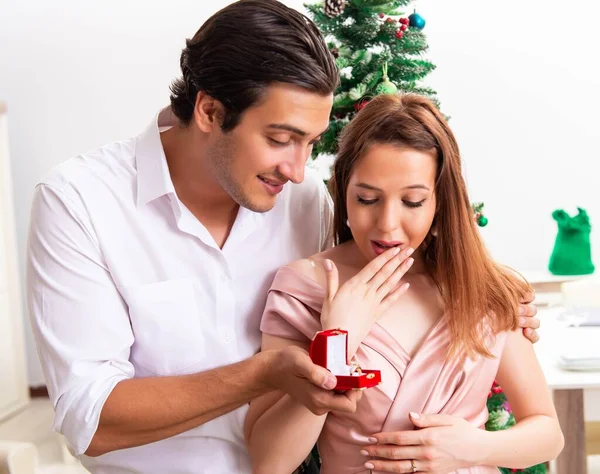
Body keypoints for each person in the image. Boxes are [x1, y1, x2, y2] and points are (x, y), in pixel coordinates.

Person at [25, 1, 540, 473]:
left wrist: (490, 296)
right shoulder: (80, 202)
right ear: (209, 111)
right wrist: (265, 373)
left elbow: (381, 266)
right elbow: (89, 419)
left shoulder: (304, 201)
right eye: (280, 139)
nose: (298, 170)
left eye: (310, 143)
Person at [245, 93, 563, 474]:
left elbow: (547, 433)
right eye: (366, 199)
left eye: (412, 201)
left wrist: (475, 447)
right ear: (344, 193)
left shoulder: (482, 286)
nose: (387, 224)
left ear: (440, 201)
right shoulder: (303, 286)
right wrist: (337, 341)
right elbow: (269, 461)